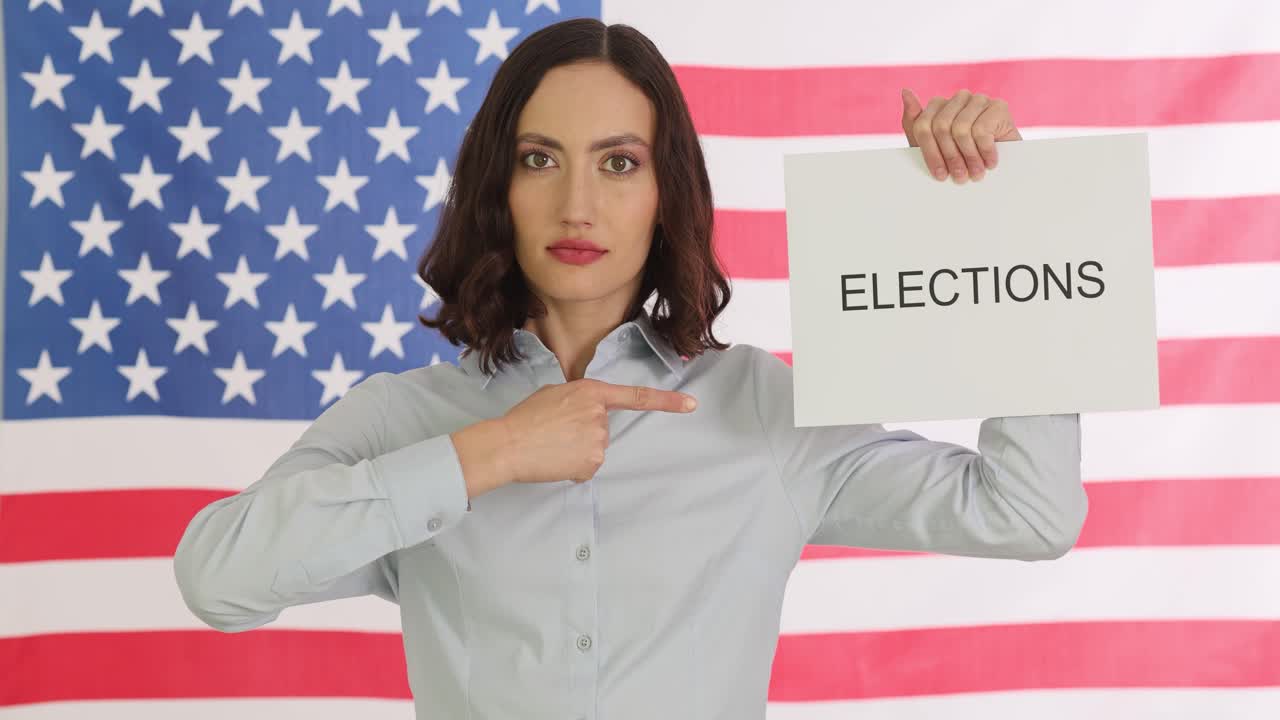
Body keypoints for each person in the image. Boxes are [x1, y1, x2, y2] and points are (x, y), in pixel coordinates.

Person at [173, 17, 1086, 720]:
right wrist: (486, 455)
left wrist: (998, 217)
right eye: (540, 160)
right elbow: (216, 577)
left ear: (664, 194)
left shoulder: (761, 408)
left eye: (618, 163)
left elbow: (1026, 514)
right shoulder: (401, 419)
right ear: (499, 188)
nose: (577, 204)